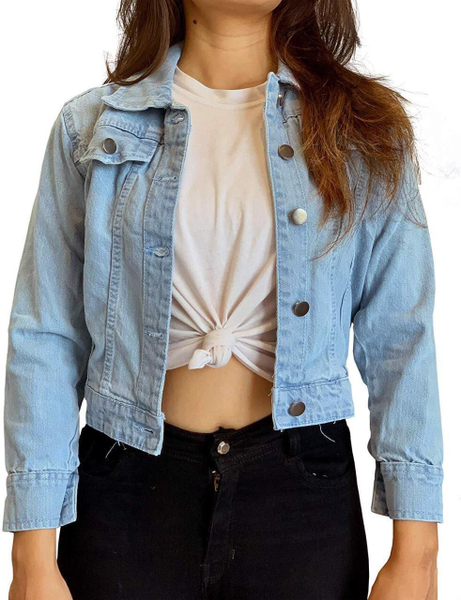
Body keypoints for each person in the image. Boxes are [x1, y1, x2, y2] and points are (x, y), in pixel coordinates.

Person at [4, 1, 443, 599]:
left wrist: (418, 551)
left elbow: (401, 338)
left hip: (301, 498)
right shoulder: (93, 126)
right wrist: (31, 555)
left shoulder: (360, 128)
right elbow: (47, 335)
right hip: (125, 491)